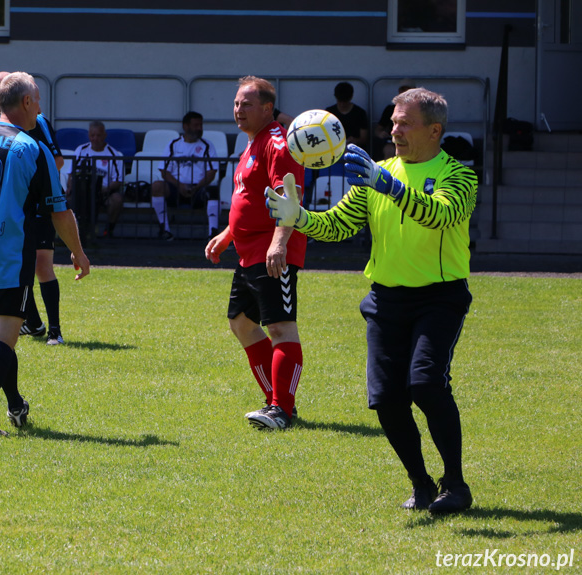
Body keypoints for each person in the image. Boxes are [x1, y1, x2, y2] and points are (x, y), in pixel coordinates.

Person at [266, 88, 478, 514]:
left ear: (434, 130)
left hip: (439, 298)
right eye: (393, 122)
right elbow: (340, 224)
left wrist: (389, 185)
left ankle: (455, 485)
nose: (393, 129)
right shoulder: (377, 171)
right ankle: (421, 486)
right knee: (385, 398)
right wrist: (299, 218)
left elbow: (440, 215)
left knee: (425, 383)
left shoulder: (459, 176)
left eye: (404, 123)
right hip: (385, 299)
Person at [0, 72, 91, 436]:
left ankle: (14, 404)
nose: (40, 107)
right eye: (38, 100)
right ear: (26, 103)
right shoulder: (32, 149)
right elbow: (59, 211)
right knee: (4, 336)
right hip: (8, 251)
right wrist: (78, 253)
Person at [204, 76, 307, 431]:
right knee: (242, 323)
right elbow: (251, 198)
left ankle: (282, 409)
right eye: (236, 103)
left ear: (267, 108)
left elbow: (288, 197)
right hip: (249, 251)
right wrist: (228, 234)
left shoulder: (278, 143)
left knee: (280, 326)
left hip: (273, 251)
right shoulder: (252, 143)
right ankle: (274, 400)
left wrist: (279, 242)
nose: (238, 110)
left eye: (246, 104)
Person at [0, 71, 66, 345]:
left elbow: (57, 161)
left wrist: (34, 187)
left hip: (40, 205)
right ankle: (32, 323)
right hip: (14, 210)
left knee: (42, 265)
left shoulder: (37, 121)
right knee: (17, 264)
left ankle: (55, 331)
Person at [151, 111, 220, 240]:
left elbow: (212, 172)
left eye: (201, 125)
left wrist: (197, 187)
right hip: (175, 188)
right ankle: (165, 229)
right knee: (156, 186)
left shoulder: (207, 145)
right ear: (185, 126)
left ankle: (213, 234)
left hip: (199, 189)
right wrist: (180, 185)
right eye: (196, 125)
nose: (199, 128)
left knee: (213, 190)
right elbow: (164, 171)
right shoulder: (173, 144)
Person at [68, 121, 125, 238]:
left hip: (104, 192)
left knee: (117, 200)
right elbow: (71, 174)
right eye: (92, 135)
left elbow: (118, 181)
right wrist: (70, 187)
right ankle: (72, 234)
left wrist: (105, 189)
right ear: (89, 136)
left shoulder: (114, 154)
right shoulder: (81, 150)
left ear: (104, 136)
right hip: (82, 191)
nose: (95, 138)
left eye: (98, 135)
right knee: (62, 200)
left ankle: (108, 231)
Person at [374, 83, 415, 160]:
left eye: (408, 91)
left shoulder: (419, 111)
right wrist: (381, 133)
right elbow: (377, 130)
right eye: (402, 90)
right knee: (389, 149)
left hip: (413, 140)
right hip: (394, 141)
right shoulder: (390, 109)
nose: (404, 94)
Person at [326, 81, 369, 148]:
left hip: (353, 148)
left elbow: (364, 139)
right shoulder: (329, 113)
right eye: (340, 101)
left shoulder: (360, 113)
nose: (342, 104)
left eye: (345, 101)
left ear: (351, 97)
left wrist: (355, 140)